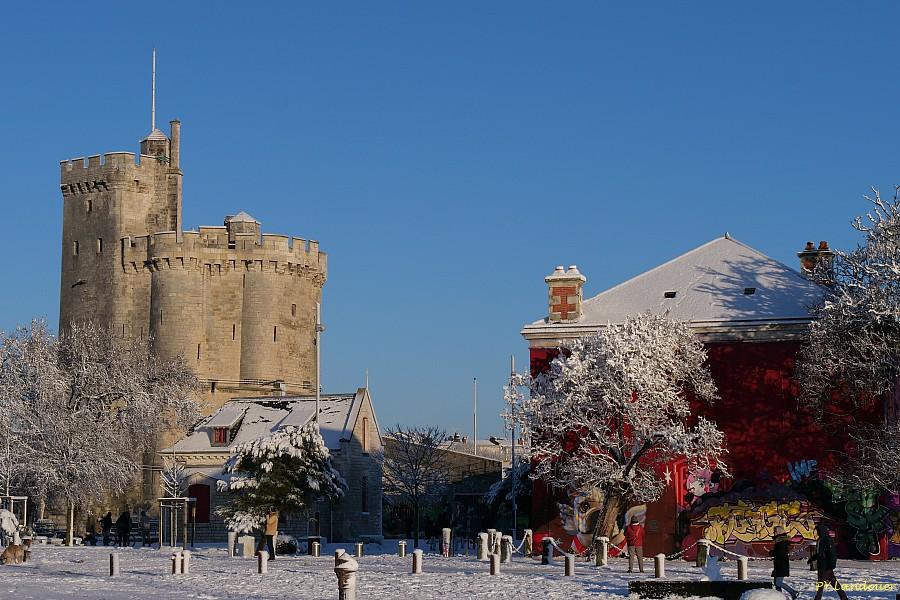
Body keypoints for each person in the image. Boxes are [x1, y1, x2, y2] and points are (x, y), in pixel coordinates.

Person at [809, 523, 849, 600]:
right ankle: (843, 597)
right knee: (834, 582)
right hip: (823, 565)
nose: (817, 533)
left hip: (825, 565)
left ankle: (817, 598)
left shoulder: (827, 540)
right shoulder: (821, 540)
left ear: (822, 531)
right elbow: (820, 553)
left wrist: (832, 565)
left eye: (818, 531)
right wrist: (813, 558)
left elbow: (832, 553)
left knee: (820, 583)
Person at [769, 526, 799, 600]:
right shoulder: (780, 541)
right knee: (776, 582)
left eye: (775, 531)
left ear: (779, 532)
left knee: (778, 582)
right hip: (779, 564)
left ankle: (793, 592)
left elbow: (780, 553)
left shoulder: (781, 542)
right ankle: (779, 597)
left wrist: (770, 552)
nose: (774, 533)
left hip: (781, 564)